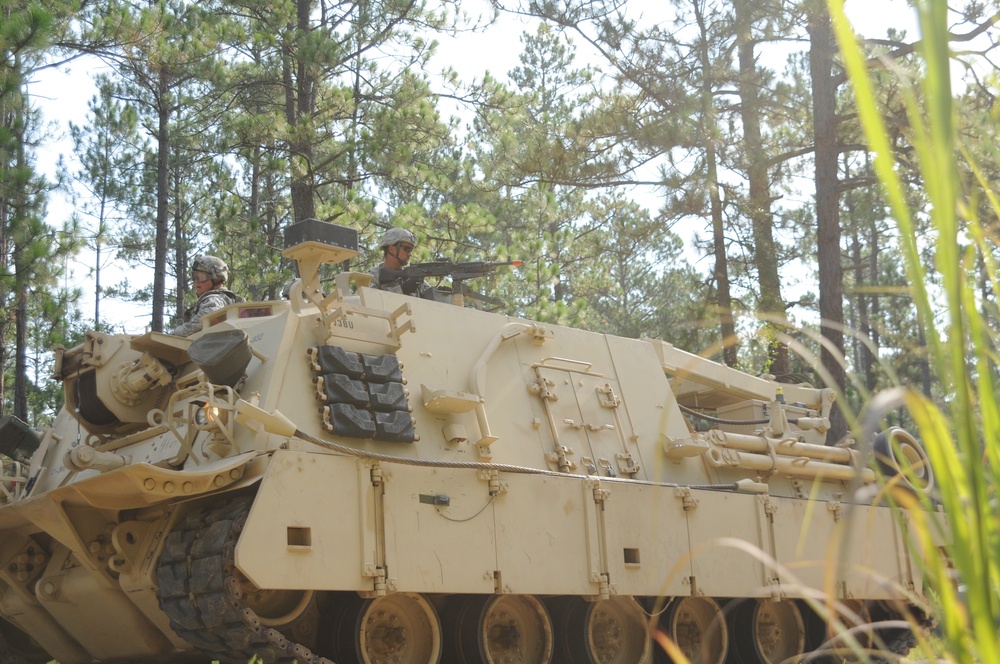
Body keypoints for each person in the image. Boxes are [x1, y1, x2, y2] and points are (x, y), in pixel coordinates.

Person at [170, 255, 244, 337]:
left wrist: (173, 335)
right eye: (194, 277)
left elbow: (207, 317)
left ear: (217, 279)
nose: (196, 282)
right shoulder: (225, 299)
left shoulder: (214, 300)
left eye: (201, 277)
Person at [370, 228, 435, 299]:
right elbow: (369, 301)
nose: (410, 254)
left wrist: (443, 294)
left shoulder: (412, 276)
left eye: (411, 250)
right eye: (407, 249)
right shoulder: (372, 276)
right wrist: (401, 290)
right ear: (392, 249)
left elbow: (433, 299)